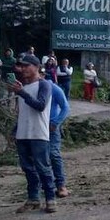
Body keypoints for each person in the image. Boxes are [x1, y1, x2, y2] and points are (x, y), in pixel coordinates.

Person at [8, 54, 57, 213]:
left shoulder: (44, 85)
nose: (23, 69)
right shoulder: (23, 86)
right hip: (23, 134)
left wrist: (22, 92)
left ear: (36, 67)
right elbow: (23, 112)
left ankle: (50, 198)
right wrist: (15, 130)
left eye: (27, 66)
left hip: (38, 134)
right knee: (28, 168)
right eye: (22, 66)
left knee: (43, 167)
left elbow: (40, 105)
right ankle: (33, 198)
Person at [45, 69, 71, 198]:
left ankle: (61, 185)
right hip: (37, 127)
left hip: (51, 128)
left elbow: (65, 107)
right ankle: (42, 185)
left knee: (53, 154)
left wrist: (55, 123)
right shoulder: (30, 88)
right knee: (38, 157)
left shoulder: (54, 89)